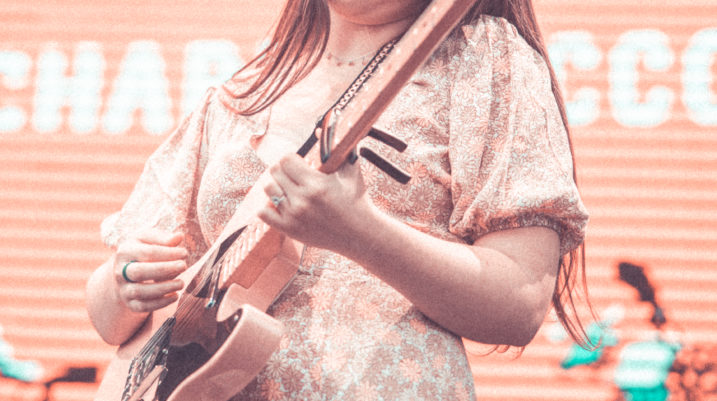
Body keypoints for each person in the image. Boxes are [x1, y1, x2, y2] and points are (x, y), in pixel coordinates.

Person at [86, 0, 591, 399]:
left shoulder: (483, 60)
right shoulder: (245, 92)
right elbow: (110, 318)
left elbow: (520, 304)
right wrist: (123, 282)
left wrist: (361, 231)